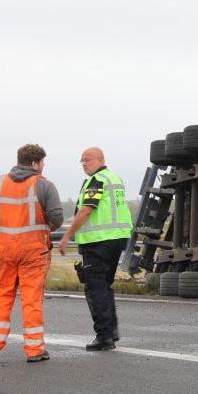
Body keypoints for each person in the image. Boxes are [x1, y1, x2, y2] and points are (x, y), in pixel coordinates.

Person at [0, 144, 64, 364]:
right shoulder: (44, 185)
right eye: (42, 163)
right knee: (31, 298)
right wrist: (45, 228)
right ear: (34, 163)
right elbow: (57, 217)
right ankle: (34, 350)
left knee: (2, 295)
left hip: (4, 251)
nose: (43, 167)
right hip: (33, 251)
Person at [58, 147, 133, 351]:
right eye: (81, 160)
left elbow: (86, 210)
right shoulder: (114, 178)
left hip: (98, 242)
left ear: (100, 159)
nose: (84, 163)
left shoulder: (97, 180)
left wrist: (66, 236)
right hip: (117, 240)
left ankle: (104, 336)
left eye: (88, 160)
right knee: (104, 286)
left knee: (95, 287)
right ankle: (112, 331)